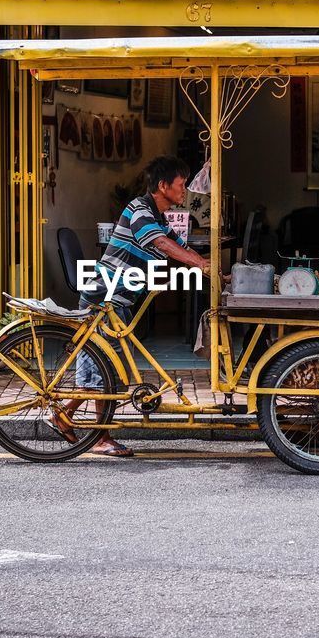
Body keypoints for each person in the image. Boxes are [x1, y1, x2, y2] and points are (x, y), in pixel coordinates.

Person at [60, 156, 211, 457]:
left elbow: (176, 244)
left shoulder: (158, 216)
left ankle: (63, 415)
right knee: (101, 373)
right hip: (105, 298)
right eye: (181, 185)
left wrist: (211, 267)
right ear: (163, 186)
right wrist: (200, 264)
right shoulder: (140, 211)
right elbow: (162, 244)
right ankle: (98, 438)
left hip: (120, 299)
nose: (184, 190)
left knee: (107, 373)